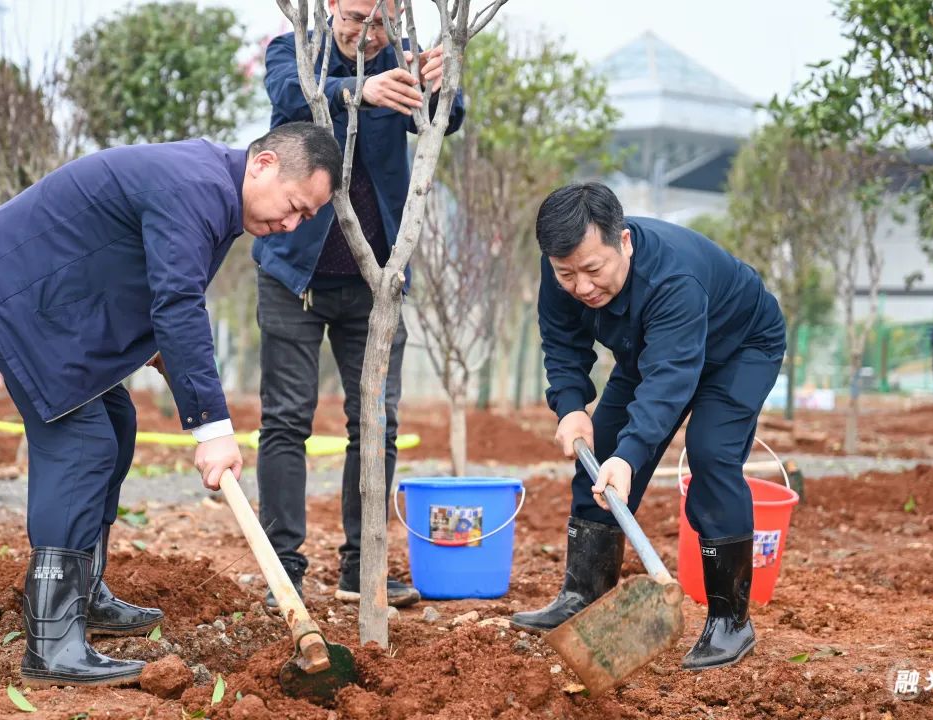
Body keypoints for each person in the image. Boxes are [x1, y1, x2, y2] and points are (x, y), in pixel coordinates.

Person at [0, 123, 342, 687]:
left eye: (305, 219)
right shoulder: (197, 186)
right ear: (265, 165)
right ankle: (52, 643)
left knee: (115, 419)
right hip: (14, 291)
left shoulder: (216, 190)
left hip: (53, 302)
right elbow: (178, 301)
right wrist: (212, 429)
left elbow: (147, 273)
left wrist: (159, 350)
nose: (290, 225)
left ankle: (81, 594)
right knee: (82, 441)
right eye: (294, 207)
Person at [510, 183, 786, 672]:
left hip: (739, 348)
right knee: (602, 447)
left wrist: (630, 457)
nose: (582, 286)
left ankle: (730, 621)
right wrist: (571, 407)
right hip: (651, 350)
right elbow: (561, 341)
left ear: (625, 243)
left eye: (593, 271)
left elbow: (670, 380)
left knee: (711, 454)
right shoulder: (563, 266)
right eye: (566, 274)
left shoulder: (674, 278)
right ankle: (583, 595)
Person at [255, 0, 464, 609]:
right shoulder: (292, 51)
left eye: (381, 21)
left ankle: (360, 565)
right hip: (296, 275)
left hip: (376, 284)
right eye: (354, 17)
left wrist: (437, 83)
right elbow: (292, 98)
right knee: (287, 420)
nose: (367, 32)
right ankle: (285, 568)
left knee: (376, 423)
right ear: (327, 7)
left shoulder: (398, 59)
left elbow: (445, 121)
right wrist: (360, 89)